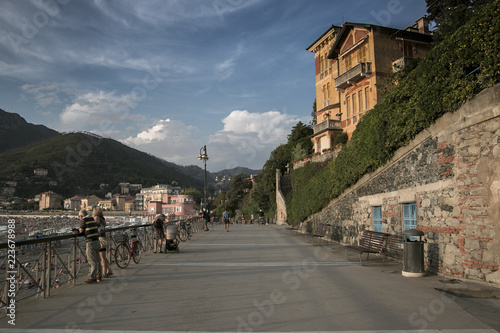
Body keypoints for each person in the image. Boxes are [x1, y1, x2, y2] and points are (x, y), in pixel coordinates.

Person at [78, 209, 101, 283]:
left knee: (92, 261)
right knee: (97, 260)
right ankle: (99, 276)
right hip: (97, 241)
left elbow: (81, 230)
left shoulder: (83, 220)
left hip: (90, 242)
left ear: (81, 216)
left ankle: (92, 277)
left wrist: (78, 230)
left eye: (79, 216)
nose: (79, 218)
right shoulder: (91, 218)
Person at [93, 207, 113, 278]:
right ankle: (109, 270)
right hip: (103, 237)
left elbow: (95, 225)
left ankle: (104, 272)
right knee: (103, 256)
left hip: (99, 238)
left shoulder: (97, 218)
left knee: (102, 257)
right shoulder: (103, 218)